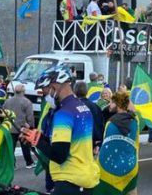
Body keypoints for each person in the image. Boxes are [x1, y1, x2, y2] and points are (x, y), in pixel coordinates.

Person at [23, 65, 99, 194]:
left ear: (54, 87)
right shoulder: (83, 107)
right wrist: (43, 138)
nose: (44, 97)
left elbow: (59, 155)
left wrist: (38, 141)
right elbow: (74, 144)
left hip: (70, 180)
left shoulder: (63, 113)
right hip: (86, 178)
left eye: (44, 91)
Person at [95, 91, 140, 195]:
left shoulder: (110, 123)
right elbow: (133, 109)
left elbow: (105, 147)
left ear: (117, 104)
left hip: (108, 172)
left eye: (112, 102)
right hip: (130, 167)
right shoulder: (135, 120)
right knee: (131, 191)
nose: (110, 105)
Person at [3, 83, 35, 169]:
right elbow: (30, 116)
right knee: (25, 147)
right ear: (23, 91)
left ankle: (12, 164)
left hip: (10, 127)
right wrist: (31, 126)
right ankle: (29, 163)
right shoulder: (27, 102)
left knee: (11, 148)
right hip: (22, 128)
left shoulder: (7, 101)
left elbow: (4, 113)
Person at [73, 81, 105, 152]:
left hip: (75, 143)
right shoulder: (95, 107)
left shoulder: (70, 107)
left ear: (74, 91)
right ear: (87, 91)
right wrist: (98, 142)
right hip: (91, 143)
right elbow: (100, 124)